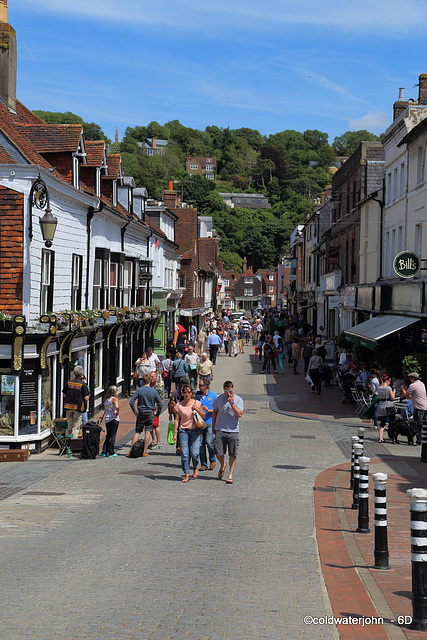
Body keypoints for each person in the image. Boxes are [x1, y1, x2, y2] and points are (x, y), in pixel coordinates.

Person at [212, 380, 244, 484]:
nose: (228, 394)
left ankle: (230, 475)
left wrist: (232, 403)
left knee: (232, 453)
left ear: (233, 389)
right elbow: (215, 412)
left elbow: (239, 414)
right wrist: (213, 426)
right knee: (218, 452)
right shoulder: (219, 398)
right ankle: (222, 464)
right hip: (220, 428)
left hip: (233, 430)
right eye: (226, 391)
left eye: (230, 391)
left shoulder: (238, 400)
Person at [172, 383, 205, 482]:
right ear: (181, 393)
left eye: (188, 392)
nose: (187, 394)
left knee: (195, 453)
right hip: (183, 431)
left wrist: (197, 409)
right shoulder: (179, 405)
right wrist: (174, 433)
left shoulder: (196, 403)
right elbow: (177, 420)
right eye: (185, 392)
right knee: (184, 454)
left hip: (195, 430)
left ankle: (195, 466)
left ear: (191, 393)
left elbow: (203, 415)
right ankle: (186, 473)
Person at [128, 373, 163, 457]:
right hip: (150, 413)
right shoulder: (154, 391)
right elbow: (160, 404)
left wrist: (134, 411)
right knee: (147, 432)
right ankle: (144, 451)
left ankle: (132, 450)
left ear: (143, 381)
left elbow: (131, 401)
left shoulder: (139, 390)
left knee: (137, 432)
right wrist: (157, 413)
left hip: (141, 413)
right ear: (149, 381)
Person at [195, 377, 217, 471]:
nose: (199, 387)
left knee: (209, 442)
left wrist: (209, 410)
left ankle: (213, 459)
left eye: (200, 385)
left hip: (209, 422)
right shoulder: (198, 396)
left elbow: (217, 410)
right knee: (200, 444)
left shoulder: (214, 396)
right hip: (200, 423)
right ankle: (203, 464)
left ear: (206, 386)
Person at [63, 365, 90, 438]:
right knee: (76, 427)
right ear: (81, 374)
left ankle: (67, 443)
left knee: (69, 426)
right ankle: (72, 443)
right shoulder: (83, 384)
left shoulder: (68, 382)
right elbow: (86, 398)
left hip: (68, 407)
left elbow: (64, 395)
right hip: (78, 408)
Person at [401, 372, 427, 443]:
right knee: (424, 424)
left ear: (412, 378)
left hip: (418, 406)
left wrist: (403, 388)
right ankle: (423, 438)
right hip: (424, 405)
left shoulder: (413, 385)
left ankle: (419, 440)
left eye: (410, 378)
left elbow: (406, 395)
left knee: (417, 424)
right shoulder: (421, 383)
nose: (409, 380)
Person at [100, 385, 120, 457]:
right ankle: (111, 452)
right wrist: (117, 411)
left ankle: (104, 451)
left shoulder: (106, 399)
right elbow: (117, 406)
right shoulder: (114, 399)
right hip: (114, 418)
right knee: (113, 435)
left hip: (107, 418)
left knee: (108, 435)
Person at [377, 374, 395, 443]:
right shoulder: (388, 388)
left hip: (381, 404)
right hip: (389, 405)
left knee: (382, 422)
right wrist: (394, 392)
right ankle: (393, 438)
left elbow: (379, 397)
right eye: (389, 381)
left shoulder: (379, 388)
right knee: (392, 421)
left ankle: (380, 438)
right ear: (387, 381)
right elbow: (392, 397)